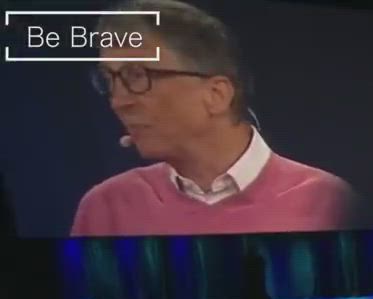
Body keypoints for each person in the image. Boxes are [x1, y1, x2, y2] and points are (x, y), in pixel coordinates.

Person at [71, 0, 354, 237]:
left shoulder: (327, 200)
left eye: (137, 76)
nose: (119, 102)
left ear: (216, 94)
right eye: (110, 80)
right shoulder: (106, 207)